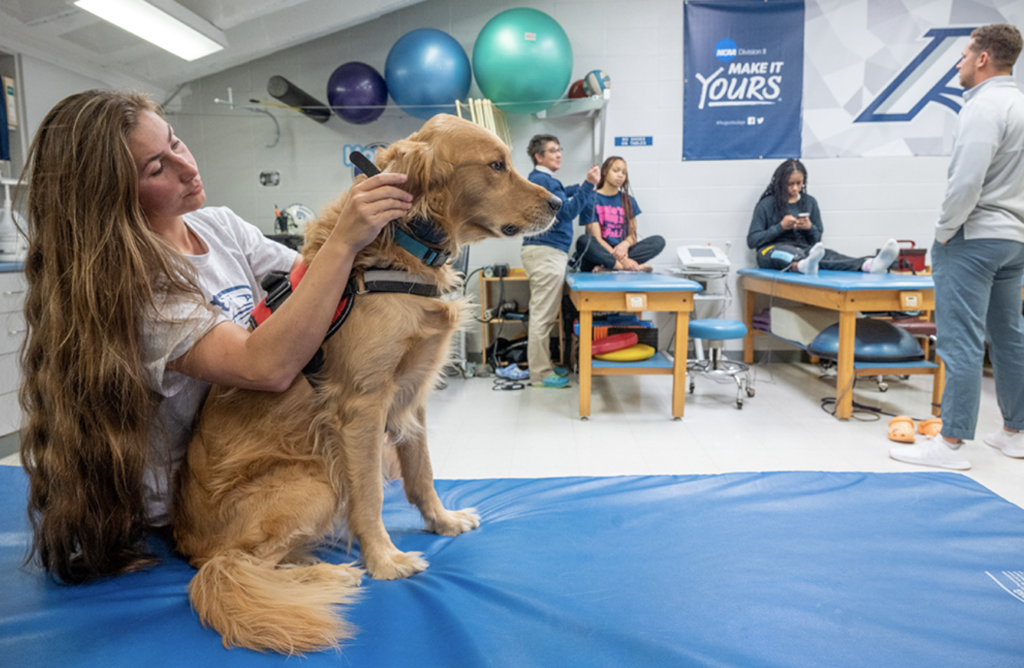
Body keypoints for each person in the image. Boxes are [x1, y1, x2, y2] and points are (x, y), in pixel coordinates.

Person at [18, 90, 412, 584]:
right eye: (157, 168)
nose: (186, 166)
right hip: (196, 500)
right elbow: (265, 367)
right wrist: (345, 239)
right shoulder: (136, 291)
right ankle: (264, 567)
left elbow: (318, 290)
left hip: (245, 450)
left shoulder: (217, 226)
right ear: (110, 197)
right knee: (331, 484)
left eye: (176, 142)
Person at [890, 24, 1024, 471]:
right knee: (1008, 338)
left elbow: (966, 182)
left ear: (983, 58)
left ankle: (949, 444)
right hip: (1014, 241)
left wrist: (944, 232)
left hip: (974, 237)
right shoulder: (1021, 104)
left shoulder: (984, 107)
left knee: (960, 341)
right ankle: (1015, 432)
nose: (958, 62)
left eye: (964, 54)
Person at [521, 134, 600, 388]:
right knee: (543, 317)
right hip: (546, 253)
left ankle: (542, 365)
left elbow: (561, 195)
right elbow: (565, 212)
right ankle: (540, 374)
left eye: (559, 149)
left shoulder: (542, 181)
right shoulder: (543, 181)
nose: (559, 154)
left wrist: (580, 187)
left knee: (542, 315)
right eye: (552, 151)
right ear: (539, 156)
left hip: (545, 253)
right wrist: (587, 186)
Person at [747, 159, 900, 275]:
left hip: (804, 250)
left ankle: (868, 265)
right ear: (780, 183)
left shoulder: (810, 202)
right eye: (790, 184)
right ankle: (801, 265)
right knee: (784, 253)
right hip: (770, 251)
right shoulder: (766, 204)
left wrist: (809, 227)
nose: (795, 188)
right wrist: (780, 227)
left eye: (799, 183)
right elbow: (753, 241)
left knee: (828, 255)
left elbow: (817, 239)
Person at [574, 156, 664, 273]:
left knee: (658, 241)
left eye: (624, 172)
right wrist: (622, 261)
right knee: (584, 241)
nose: (620, 175)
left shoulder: (628, 200)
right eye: (616, 171)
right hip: (599, 255)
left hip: (623, 253)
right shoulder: (591, 199)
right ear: (605, 171)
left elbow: (632, 236)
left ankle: (609, 268)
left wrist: (625, 245)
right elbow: (596, 238)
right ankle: (622, 267)